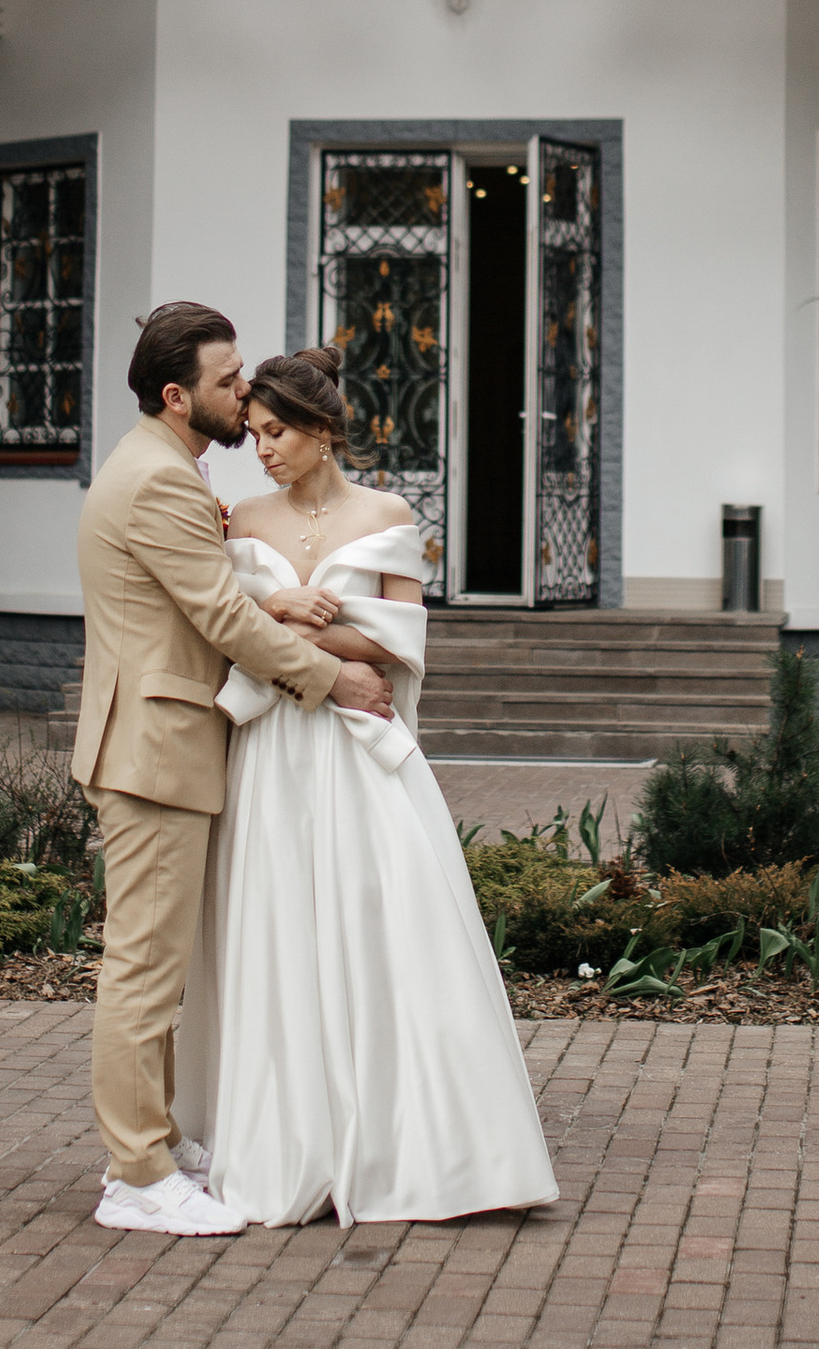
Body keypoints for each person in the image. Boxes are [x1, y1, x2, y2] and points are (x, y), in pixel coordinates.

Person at [174, 345, 558, 1229]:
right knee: (277, 928)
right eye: (255, 432)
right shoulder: (243, 520)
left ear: (321, 430)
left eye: (276, 432)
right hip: (273, 755)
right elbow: (226, 633)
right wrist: (283, 614)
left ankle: (414, 1143)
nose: (261, 447)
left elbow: (400, 643)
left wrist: (309, 627)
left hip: (359, 750)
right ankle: (289, 1138)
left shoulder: (388, 511)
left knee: (389, 918)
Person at [74, 301, 399, 1238]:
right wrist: (332, 677)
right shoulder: (160, 484)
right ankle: (136, 1175)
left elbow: (204, 600)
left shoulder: (156, 469)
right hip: (153, 750)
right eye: (227, 382)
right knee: (143, 970)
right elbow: (223, 621)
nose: (243, 392)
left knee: (161, 966)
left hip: (156, 742)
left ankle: (161, 1144)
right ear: (178, 396)